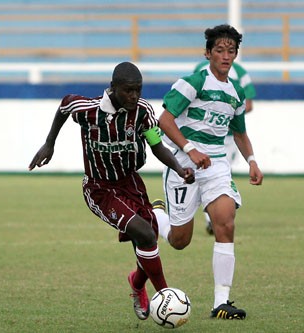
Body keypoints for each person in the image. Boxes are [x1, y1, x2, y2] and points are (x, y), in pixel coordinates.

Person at [28, 62, 195, 321]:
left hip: (131, 183)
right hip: (99, 188)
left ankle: (137, 284)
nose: (134, 96)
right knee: (145, 233)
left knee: (147, 238)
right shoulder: (88, 110)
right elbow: (64, 106)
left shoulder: (142, 113)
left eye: (138, 90)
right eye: (128, 90)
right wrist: (49, 144)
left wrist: (178, 166)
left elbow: (156, 146)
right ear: (113, 88)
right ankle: (166, 296)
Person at [152, 24, 264, 320]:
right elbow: (164, 120)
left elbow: (239, 133)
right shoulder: (193, 82)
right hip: (183, 164)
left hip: (216, 166)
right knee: (180, 241)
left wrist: (251, 159)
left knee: (225, 222)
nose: (226, 56)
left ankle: (221, 303)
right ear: (207, 53)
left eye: (231, 51)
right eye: (220, 50)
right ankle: (158, 216)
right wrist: (190, 149)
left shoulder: (235, 92)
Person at [194, 59, 257, 235]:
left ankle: (214, 218)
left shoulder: (240, 73)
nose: (225, 55)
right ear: (210, 51)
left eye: (230, 50)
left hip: (228, 138)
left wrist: (227, 113)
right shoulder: (200, 71)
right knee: (206, 174)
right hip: (200, 137)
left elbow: (248, 104)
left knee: (219, 174)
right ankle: (211, 219)